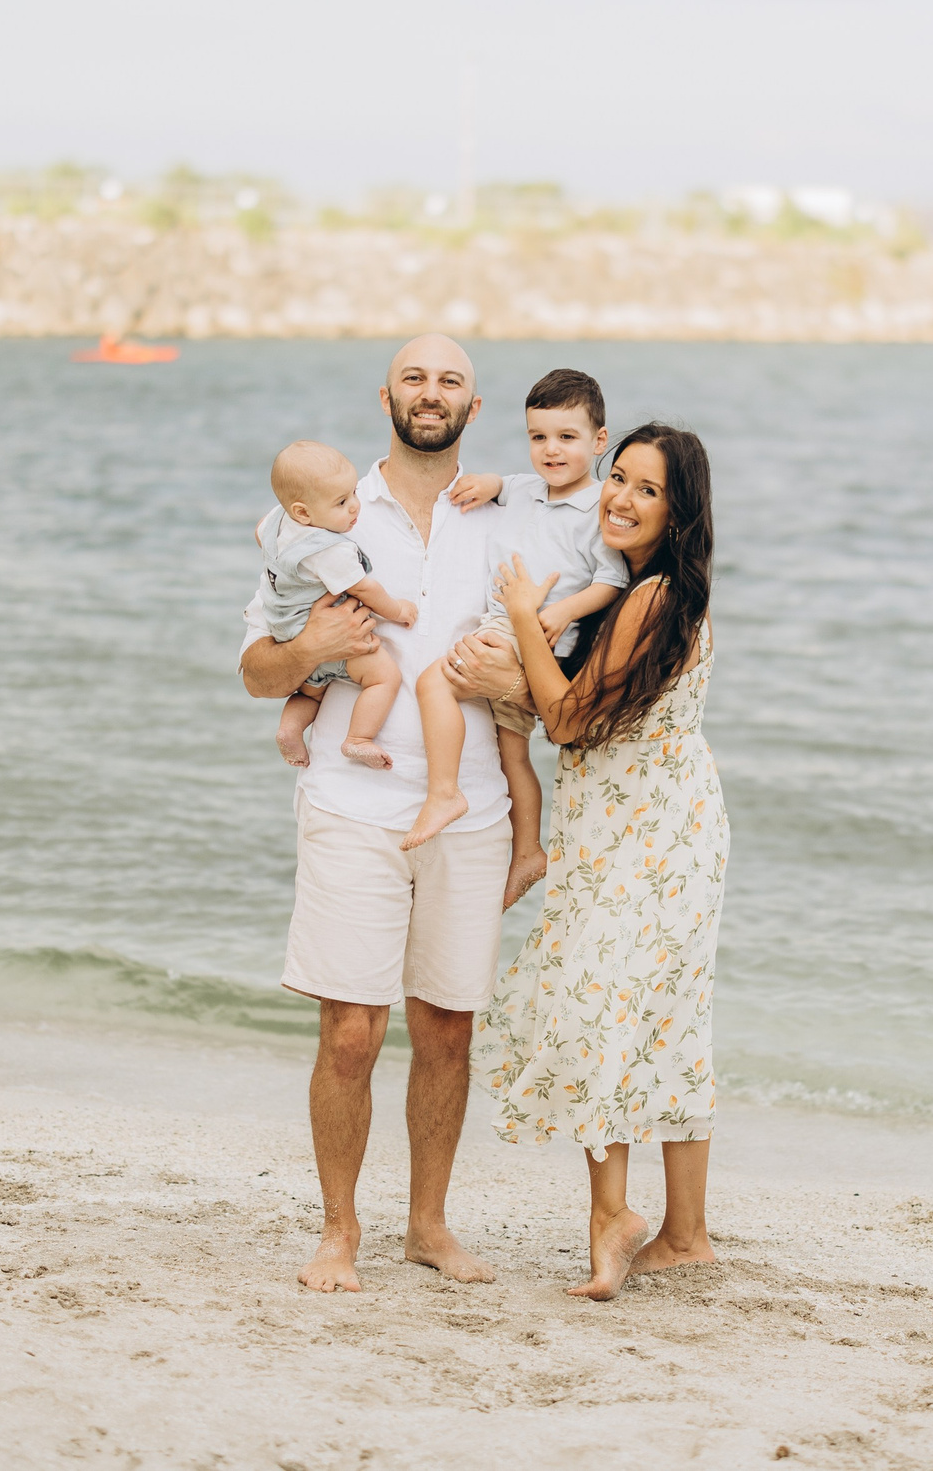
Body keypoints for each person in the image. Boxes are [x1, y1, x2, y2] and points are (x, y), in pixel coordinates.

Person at [235, 335, 535, 1294]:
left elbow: (549, 661)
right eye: (414, 377)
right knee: (351, 1031)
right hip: (350, 801)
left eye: (450, 381)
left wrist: (517, 682)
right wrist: (311, 646)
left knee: (447, 1030)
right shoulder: (325, 513)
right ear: (386, 398)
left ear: (473, 408)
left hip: (472, 809)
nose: (430, 393)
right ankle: (338, 1233)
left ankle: (429, 1226)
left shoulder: (509, 516)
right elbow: (256, 671)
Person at [459, 422, 728, 1302]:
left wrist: (520, 615)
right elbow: (594, 717)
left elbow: (571, 722)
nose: (621, 498)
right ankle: (684, 1235)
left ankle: (613, 1220)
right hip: (650, 824)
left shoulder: (651, 600)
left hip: (646, 835)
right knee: (664, 1019)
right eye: (619, 479)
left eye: (649, 490)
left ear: (678, 512)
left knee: (594, 1006)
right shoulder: (644, 594)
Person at [402, 368, 628, 852]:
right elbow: (505, 486)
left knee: (431, 683)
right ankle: (528, 850)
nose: (551, 450)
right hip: (512, 629)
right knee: (512, 754)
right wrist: (487, 483)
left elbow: (612, 580)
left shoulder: (597, 508)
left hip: (531, 633)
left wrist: (564, 611)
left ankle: (444, 792)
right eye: (538, 437)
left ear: (598, 441)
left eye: (567, 437)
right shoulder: (526, 487)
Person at [259, 440, 419, 769]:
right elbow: (364, 588)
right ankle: (358, 739)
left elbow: (259, 534)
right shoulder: (330, 550)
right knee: (385, 678)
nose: (355, 507)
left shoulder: (277, 520)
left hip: (285, 630)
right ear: (303, 513)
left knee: (310, 693)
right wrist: (398, 610)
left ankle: (290, 729)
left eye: (354, 493)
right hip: (330, 638)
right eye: (342, 502)